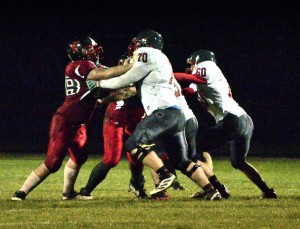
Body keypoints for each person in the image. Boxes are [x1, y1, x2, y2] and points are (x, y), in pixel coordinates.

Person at [98, 29, 222, 201]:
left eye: (139, 43)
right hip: (177, 115)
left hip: (164, 113)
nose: (136, 47)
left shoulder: (147, 53)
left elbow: (125, 80)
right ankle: (211, 191)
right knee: (182, 162)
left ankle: (164, 174)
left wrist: (99, 82)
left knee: (133, 143)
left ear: (145, 43)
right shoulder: (161, 58)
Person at [11, 36, 133, 201]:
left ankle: (68, 193)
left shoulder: (87, 66)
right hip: (65, 121)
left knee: (79, 157)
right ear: (82, 51)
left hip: (78, 124)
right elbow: (108, 73)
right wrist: (134, 66)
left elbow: (111, 74)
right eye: (91, 48)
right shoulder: (81, 65)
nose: (95, 51)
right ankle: (21, 192)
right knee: (52, 163)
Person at [174, 49, 277, 198]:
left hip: (232, 119)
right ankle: (267, 191)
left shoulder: (208, 66)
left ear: (198, 61)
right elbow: (191, 90)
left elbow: (198, 80)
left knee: (194, 152)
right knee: (239, 162)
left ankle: (215, 188)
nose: (190, 67)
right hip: (244, 119)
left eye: (192, 64)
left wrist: (168, 76)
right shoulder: (202, 77)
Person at [78, 51, 148, 200]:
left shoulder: (145, 74)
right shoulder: (119, 75)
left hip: (135, 119)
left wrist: (104, 100)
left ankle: (137, 186)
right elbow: (123, 91)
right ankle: (85, 191)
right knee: (111, 159)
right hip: (115, 120)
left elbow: (128, 92)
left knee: (138, 157)